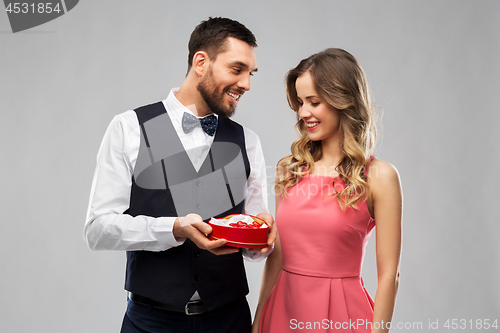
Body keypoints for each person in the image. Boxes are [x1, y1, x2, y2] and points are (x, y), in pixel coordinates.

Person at [84, 17, 276, 333]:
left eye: (250, 74)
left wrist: (261, 239)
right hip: (150, 322)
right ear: (201, 62)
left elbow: (254, 246)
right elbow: (98, 229)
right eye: (237, 69)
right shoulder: (128, 128)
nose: (247, 84)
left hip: (229, 321)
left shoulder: (248, 141)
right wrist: (174, 229)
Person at [253, 48, 402, 333]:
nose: (303, 112)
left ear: (342, 101)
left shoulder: (379, 176)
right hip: (282, 313)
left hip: (342, 317)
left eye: (314, 102)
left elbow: (389, 277)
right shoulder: (289, 169)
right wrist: (259, 319)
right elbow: (278, 255)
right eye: (299, 102)